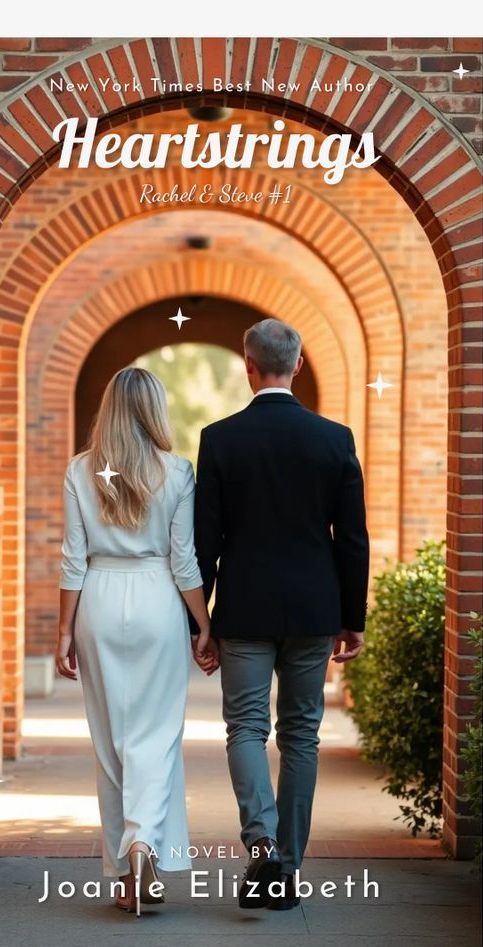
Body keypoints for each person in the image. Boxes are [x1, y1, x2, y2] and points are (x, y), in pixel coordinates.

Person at [191, 318, 370, 910]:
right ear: (298, 364)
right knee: (301, 735)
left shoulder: (220, 439)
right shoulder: (334, 439)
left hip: (244, 608)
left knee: (245, 728)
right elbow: (353, 539)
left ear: (248, 365)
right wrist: (353, 617)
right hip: (315, 609)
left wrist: (200, 623)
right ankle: (286, 870)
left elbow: (204, 540)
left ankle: (261, 843)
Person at [56, 367, 218, 917]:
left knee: (110, 746)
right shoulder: (177, 471)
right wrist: (203, 624)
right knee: (157, 736)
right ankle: (145, 842)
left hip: (98, 601)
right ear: (154, 412)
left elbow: (73, 559)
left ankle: (127, 877)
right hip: (157, 601)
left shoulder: (80, 470)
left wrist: (64, 631)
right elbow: (184, 560)